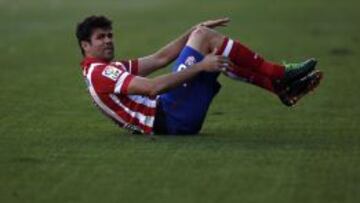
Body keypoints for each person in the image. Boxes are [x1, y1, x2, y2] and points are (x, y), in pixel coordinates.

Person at [76, 15, 322, 135]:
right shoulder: (102, 72)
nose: (108, 41)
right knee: (206, 44)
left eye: (110, 35)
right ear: (85, 45)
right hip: (171, 118)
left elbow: (161, 58)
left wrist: (193, 31)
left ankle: (280, 87)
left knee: (210, 45)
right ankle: (278, 73)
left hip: (172, 118)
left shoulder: (104, 70)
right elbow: (153, 88)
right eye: (101, 37)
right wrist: (200, 65)